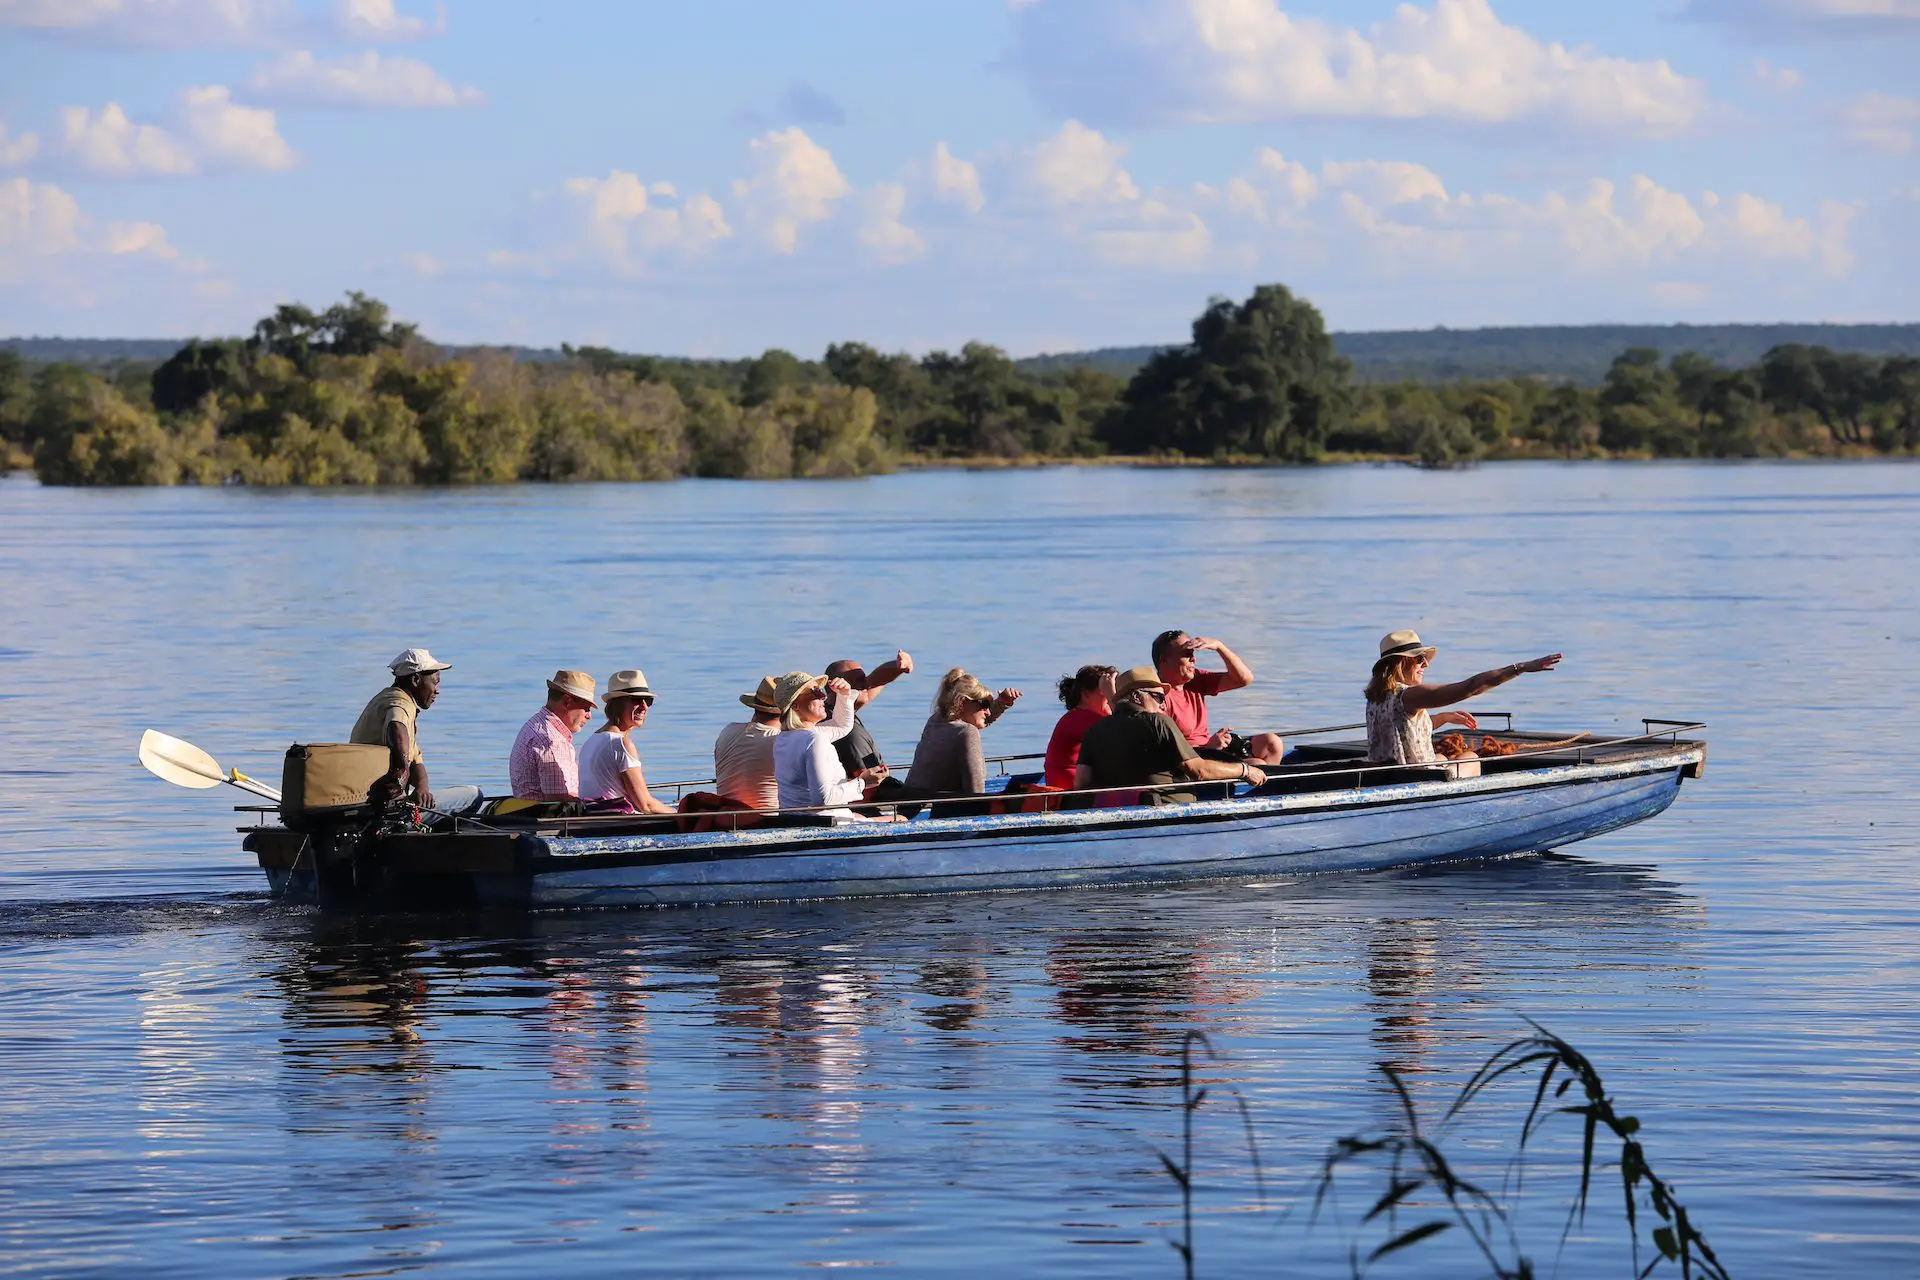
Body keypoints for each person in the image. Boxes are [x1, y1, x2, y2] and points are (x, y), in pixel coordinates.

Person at [1364, 631, 1562, 765]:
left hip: (1385, 774)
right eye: (1419, 659)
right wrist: (1520, 668)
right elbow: (1470, 687)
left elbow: (1403, 728)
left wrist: (1444, 717)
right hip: (1415, 779)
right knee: (1471, 758)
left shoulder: (1377, 695)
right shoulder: (1409, 695)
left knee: (1442, 758)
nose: (1426, 664)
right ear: (1400, 663)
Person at [1076, 666, 1267, 804]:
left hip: (1120, 812)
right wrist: (1245, 770)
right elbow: (1200, 771)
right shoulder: (1158, 722)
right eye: (1158, 697)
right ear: (1136, 696)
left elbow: (1081, 785)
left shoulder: (1094, 730)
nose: (1163, 705)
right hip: (1168, 805)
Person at [1152, 629, 1285, 765]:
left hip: (1211, 750)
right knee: (1257, 764)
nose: (1193, 659)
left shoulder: (1196, 679)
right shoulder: (1155, 696)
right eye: (1187, 654)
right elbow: (1163, 750)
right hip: (1191, 761)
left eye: (1193, 654)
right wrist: (1209, 748)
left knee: (1272, 742)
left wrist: (1219, 646)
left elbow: (1244, 679)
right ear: (1164, 660)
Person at [772, 671, 888, 820]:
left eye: (821, 690)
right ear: (795, 705)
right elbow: (823, 800)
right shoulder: (814, 739)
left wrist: (844, 695)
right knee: (901, 818)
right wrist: (863, 782)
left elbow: (841, 726)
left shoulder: (785, 737)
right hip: (826, 823)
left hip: (794, 820)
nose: (824, 696)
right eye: (815, 692)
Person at [350, 647, 451, 810]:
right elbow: (396, 726)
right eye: (435, 682)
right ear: (416, 680)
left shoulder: (386, 698)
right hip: (380, 808)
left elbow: (416, 760)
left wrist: (422, 788)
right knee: (472, 796)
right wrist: (402, 770)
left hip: (364, 800)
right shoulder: (400, 704)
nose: (437, 690)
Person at [906, 668, 1023, 795]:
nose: (988, 712)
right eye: (984, 704)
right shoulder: (967, 732)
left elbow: (978, 719)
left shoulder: (935, 721)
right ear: (961, 701)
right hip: (941, 805)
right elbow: (976, 794)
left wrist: (1001, 704)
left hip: (910, 796)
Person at [578, 670, 675, 814]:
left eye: (648, 701)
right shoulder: (621, 743)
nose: (644, 707)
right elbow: (646, 806)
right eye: (636, 700)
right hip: (619, 820)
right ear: (617, 704)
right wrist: (683, 815)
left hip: (594, 816)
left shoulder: (591, 740)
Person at [824, 650, 914, 783]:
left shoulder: (833, 710)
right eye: (860, 681)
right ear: (837, 688)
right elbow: (872, 783)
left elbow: (877, 680)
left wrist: (898, 666)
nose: (867, 685)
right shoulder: (847, 731)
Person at [508, 670, 598, 801]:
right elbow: (557, 799)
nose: (589, 716)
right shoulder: (551, 740)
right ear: (567, 702)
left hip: (527, 808)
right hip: (545, 812)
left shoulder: (537, 724)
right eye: (586, 709)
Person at [712, 675, 782, 810]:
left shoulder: (728, 730)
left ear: (755, 707)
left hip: (726, 815)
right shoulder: (781, 740)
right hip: (770, 818)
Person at [1043, 664, 1115, 790]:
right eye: (1106, 691)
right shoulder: (1080, 718)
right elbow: (1121, 732)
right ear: (1086, 694)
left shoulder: (1082, 716)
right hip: (1069, 788)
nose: (1112, 697)